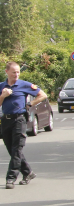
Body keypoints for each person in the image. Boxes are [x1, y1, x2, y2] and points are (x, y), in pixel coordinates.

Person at [0, 61, 47, 190]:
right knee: (11, 150)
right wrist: (3, 96)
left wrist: (30, 104)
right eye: (13, 72)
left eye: (18, 72)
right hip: (6, 120)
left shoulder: (24, 85)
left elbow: (43, 95)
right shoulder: (1, 86)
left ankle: (11, 178)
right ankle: (28, 172)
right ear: (7, 72)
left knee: (17, 150)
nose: (16, 74)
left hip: (19, 120)